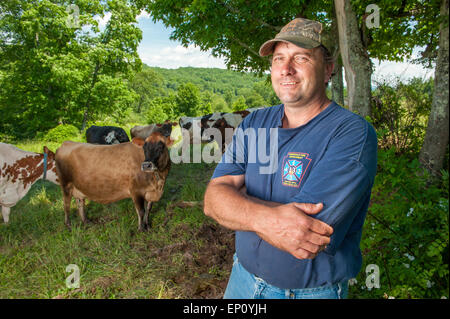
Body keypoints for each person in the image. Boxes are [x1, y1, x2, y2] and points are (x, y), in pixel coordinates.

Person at [203, 18, 378, 299]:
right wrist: (268, 215)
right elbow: (213, 201)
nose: (286, 69)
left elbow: (302, 234)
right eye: (279, 58)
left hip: (309, 293)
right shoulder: (256, 123)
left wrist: (240, 200)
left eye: (301, 57)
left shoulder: (351, 134)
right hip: (242, 281)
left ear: (328, 70)